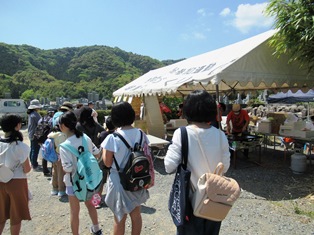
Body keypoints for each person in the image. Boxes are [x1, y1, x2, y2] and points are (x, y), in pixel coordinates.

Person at [164, 90, 230, 235]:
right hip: (215, 198)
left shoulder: (182, 133)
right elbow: (226, 165)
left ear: (188, 110)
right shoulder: (220, 135)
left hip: (190, 199)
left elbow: (168, 166)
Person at [101, 101, 150, 235]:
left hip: (119, 181)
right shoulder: (141, 134)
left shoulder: (112, 137)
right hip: (137, 178)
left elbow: (107, 163)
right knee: (136, 215)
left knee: (119, 218)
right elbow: (147, 154)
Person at [58, 111, 103, 235]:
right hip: (90, 179)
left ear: (64, 126)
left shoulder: (64, 146)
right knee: (91, 205)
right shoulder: (85, 137)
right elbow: (97, 153)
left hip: (73, 183)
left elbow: (67, 168)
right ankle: (97, 228)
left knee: (74, 211)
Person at [0, 114, 32, 235]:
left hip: (0, 181)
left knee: (1, 215)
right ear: (17, 126)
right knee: (16, 216)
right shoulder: (20, 146)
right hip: (17, 182)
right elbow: (27, 169)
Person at [48, 124, 67, 197]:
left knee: (54, 172)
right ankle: (61, 190)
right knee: (60, 173)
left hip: (53, 156)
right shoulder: (61, 135)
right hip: (60, 156)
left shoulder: (51, 135)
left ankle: (54, 188)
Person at [27, 99, 42, 170]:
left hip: (31, 134)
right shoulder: (35, 114)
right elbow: (41, 123)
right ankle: (34, 165)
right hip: (35, 134)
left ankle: (32, 163)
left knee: (32, 149)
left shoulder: (31, 114)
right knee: (35, 150)